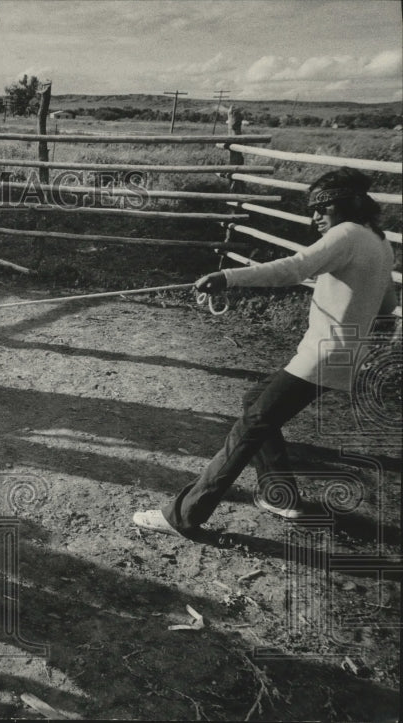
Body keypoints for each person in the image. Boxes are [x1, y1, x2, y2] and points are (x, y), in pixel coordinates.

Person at [133, 167, 399, 538]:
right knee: (255, 402)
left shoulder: (347, 233)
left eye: (324, 208)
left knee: (249, 428)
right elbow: (387, 306)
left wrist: (227, 277)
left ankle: (184, 516)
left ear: (348, 205)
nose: (315, 217)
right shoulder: (379, 242)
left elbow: (294, 269)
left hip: (321, 357)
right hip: (340, 357)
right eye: (314, 209)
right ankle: (280, 495)